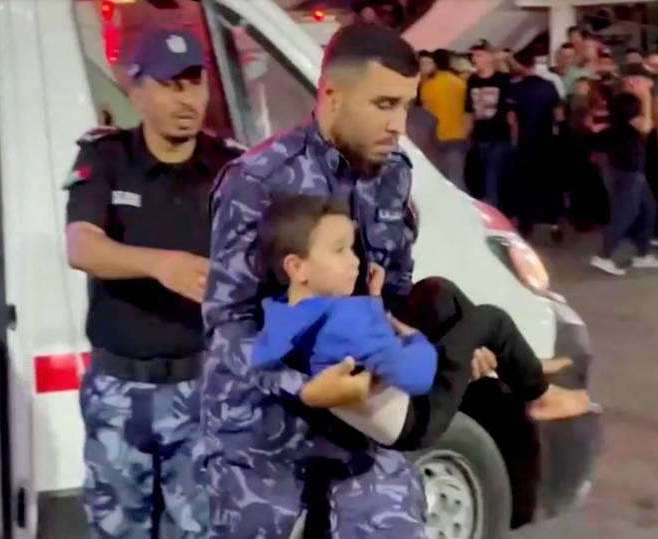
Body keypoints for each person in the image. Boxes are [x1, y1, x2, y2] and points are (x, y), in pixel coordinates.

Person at [202, 23, 496, 537]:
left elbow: (394, 299)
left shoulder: (394, 173)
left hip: (363, 433)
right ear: (332, 96)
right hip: (267, 448)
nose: (399, 125)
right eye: (384, 104)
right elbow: (228, 327)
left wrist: (442, 350)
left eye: (406, 105)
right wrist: (306, 388)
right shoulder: (259, 180)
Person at [63, 29, 239, 538]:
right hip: (120, 390)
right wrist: (160, 264)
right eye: (169, 84)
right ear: (134, 89)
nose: (186, 99)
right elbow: (82, 247)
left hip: (201, 386)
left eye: (194, 83)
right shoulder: (106, 159)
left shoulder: (229, 168)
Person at [251, 195, 590, 446]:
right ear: (297, 267)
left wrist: (372, 302)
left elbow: (356, 344)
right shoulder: (342, 322)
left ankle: (517, 362)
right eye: (340, 251)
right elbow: (416, 375)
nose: (354, 261)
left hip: (391, 395)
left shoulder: (284, 315)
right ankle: (538, 394)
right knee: (490, 319)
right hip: (419, 414)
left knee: (438, 292)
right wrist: (414, 339)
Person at [590, 64, 658, 276]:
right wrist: (645, 99)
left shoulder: (626, 102)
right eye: (646, 81)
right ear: (633, 81)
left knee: (648, 208)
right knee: (625, 213)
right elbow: (644, 127)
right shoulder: (626, 102)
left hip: (633, 164)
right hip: (626, 165)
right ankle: (603, 256)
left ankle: (643, 254)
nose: (650, 85)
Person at [508, 48, 563, 238]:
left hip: (526, 142)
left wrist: (514, 142)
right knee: (549, 182)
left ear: (521, 65)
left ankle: (526, 223)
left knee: (526, 183)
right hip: (547, 142)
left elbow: (512, 120)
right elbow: (558, 115)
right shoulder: (549, 86)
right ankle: (554, 222)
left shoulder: (515, 88)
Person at [465, 39, 516, 208]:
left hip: (500, 135)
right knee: (485, 174)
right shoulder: (471, 81)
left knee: (492, 176)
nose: (475, 59)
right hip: (480, 137)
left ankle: (493, 211)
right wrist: (467, 135)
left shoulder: (503, 80)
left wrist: (515, 137)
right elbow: (469, 111)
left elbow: (511, 112)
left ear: (489, 57)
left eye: (479, 55)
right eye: (473, 55)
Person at [419, 49, 469, 188]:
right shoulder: (460, 83)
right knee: (457, 178)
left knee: (442, 181)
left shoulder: (429, 85)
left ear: (435, 64)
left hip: (437, 138)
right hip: (459, 135)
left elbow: (425, 113)